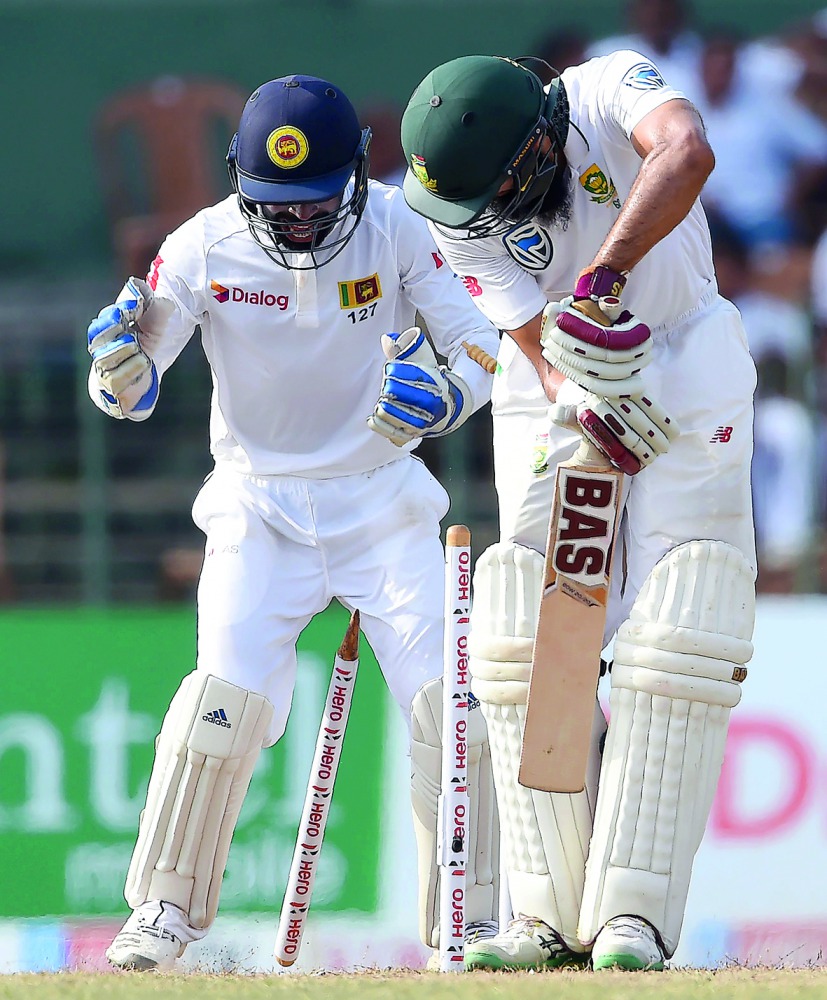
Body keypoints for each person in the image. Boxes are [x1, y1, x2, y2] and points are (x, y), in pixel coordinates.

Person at [86, 74, 503, 971]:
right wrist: (115, 374)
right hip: (257, 506)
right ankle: (163, 909)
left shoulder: (399, 226)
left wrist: (446, 398)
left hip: (382, 501)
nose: (300, 223)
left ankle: (470, 920)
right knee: (222, 705)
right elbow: (135, 381)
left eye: (317, 201)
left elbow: (480, 343)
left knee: (453, 709)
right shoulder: (200, 245)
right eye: (279, 205)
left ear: (356, 170)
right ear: (240, 179)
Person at [400, 52, 757, 971]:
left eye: (496, 194)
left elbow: (686, 151)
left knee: (679, 629)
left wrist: (601, 278)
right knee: (525, 628)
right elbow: (529, 339)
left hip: (685, 351)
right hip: (559, 374)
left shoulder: (606, 89)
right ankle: (542, 913)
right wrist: (584, 395)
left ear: (534, 151)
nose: (483, 218)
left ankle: (633, 913)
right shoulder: (451, 204)